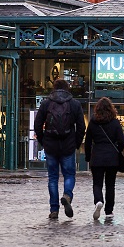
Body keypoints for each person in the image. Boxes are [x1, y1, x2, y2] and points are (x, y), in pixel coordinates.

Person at [33, 79, 86, 219]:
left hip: (50, 145)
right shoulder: (75, 104)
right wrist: (76, 143)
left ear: (54, 88)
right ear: (68, 89)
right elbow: (81, 127)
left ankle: (54, 210)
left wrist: (43, 141)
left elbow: (37, 125)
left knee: (53, 178)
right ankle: (67, 195)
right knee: (69, 175)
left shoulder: (46, 103)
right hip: (68, 145)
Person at [84, 97, 124, 220]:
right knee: (110, 185)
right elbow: (121, 140)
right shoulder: (115, 123)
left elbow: (88, 141)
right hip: (112, 158)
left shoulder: (92, 122)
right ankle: (109, 210)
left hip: (97, 157)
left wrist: (88, 156)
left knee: (97, 183)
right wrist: (118, 150)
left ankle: (98, 200)